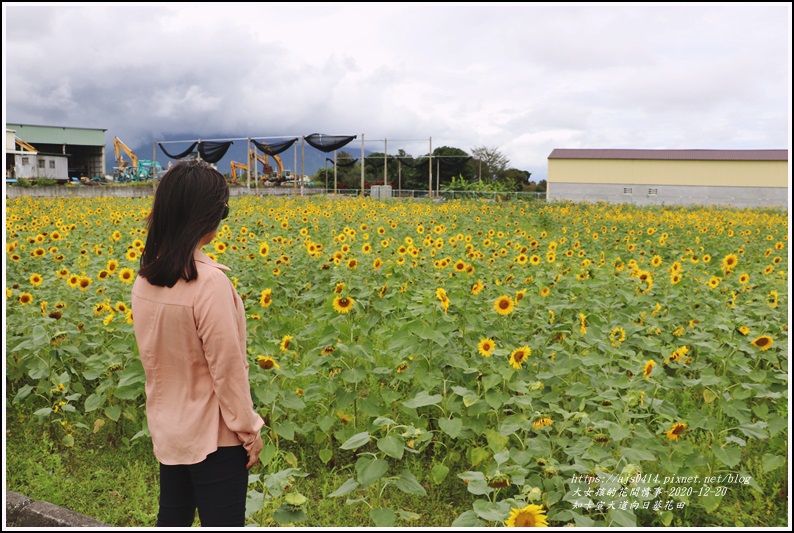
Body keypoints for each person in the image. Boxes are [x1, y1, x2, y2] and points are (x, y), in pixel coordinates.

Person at [131, 159, 264, 527]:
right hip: (215, 438)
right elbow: (227, 369)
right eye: (224, 209)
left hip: (169, 428)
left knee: (171, 519)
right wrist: (248, 431)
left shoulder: (144, 279)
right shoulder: (209, 284)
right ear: (206, 216)